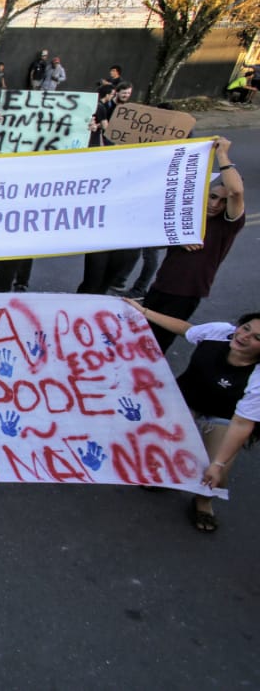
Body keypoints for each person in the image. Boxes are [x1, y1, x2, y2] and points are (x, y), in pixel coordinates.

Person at [125, 301, 260, 533]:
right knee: (163, 441)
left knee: (218, 468)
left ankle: (203, 501)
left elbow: (241, 424)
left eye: (257, 338)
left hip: (223, 415)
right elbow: (185, 329)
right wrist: (144, 312)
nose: (245, 336)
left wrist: (218, 464)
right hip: (185, 400)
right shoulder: (219, 332)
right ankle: (165, 475)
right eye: (246, 328)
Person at [142, 138, 245, 351]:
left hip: (185, 293)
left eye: (223, 201)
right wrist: (178, 239)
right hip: (161, 285)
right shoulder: (188, 216)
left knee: (156, 345)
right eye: (213, 196)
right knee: (139, 336)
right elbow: (152, 240)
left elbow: (236, 191)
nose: (216, 204)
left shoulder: (228, 223)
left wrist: (222, 155)